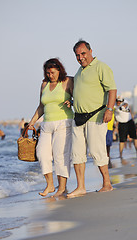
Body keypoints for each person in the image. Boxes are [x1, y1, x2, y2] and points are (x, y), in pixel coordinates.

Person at [67, 40, 117, 198]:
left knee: (97, 151)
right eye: (77, 55)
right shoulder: (79, 71)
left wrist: (109, 109)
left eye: (83, 53)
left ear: (90, 51)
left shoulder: (101, 67)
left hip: (96, 116)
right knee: (77, 153)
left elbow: (112, 89)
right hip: (79, 118)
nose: (81, 57)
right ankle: (81, 187)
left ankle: (107, 184)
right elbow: (84, 92)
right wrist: (73, 102)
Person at [28, 58, 73, 197]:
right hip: (46, 124)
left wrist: (71, 101)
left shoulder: (68, 81)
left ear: (59, 70)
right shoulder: (44, 85)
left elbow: (79, 97)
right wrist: (32, 122)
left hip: (64, 122)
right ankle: (50, 185)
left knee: (60, 156)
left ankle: (62, 187)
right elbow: (41, 106)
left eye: (52, 72)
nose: (50, 75)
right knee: (42, 153)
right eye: (47, 73)